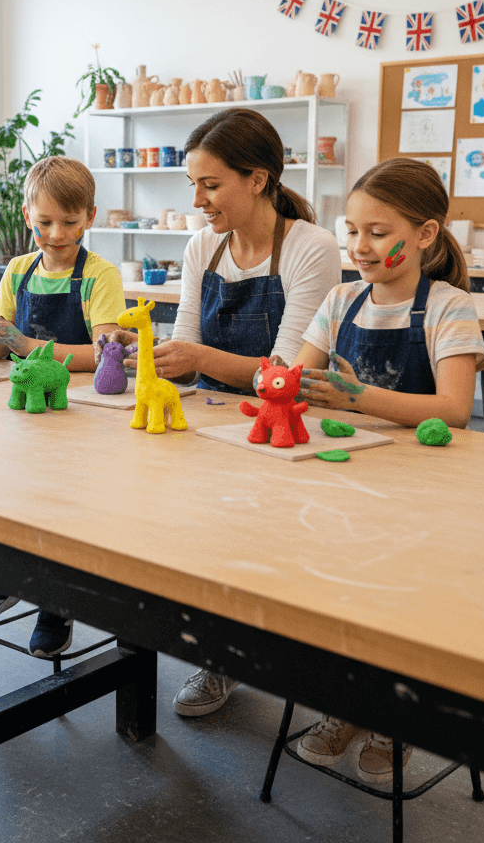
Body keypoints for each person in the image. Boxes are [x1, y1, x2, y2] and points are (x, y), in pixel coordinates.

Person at [98, 108, 341, 716]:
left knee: (267, 544)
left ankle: (290, 661)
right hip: (208, 415)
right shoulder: (202, 244)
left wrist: (194, 355)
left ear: (258, 179)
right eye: (193, 186)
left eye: (211, 185)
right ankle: (220, 655)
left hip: (279, 427)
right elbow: (183, 339)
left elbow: (287, 370)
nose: (200, 200)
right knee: (190, 536)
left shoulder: (310, 247)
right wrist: (147, 359)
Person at [288, 156, 484, 782]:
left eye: (378, 232)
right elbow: (299, 374)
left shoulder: (448, 306)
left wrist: (359, 399)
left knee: (400, 605)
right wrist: (284, 387)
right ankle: (345, 705)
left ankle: (395, 718)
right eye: (351, 230)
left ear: (426, 234)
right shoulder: (341, 298)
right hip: (342, 474)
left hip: (425, 491)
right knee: (338, 597)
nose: (360, 246)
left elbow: (453, 409)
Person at [0, 155, 125, 657]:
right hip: (22, 415)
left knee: (63, 512)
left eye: (69, 222)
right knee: (0, 498)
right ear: (28, 216)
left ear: (90, 217)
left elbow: (103, 357)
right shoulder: (18, 270)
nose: (55, 233)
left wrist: (24, 343)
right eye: (45, 222)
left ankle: (58, 604)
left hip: (78, 419)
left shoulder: (99, 275)